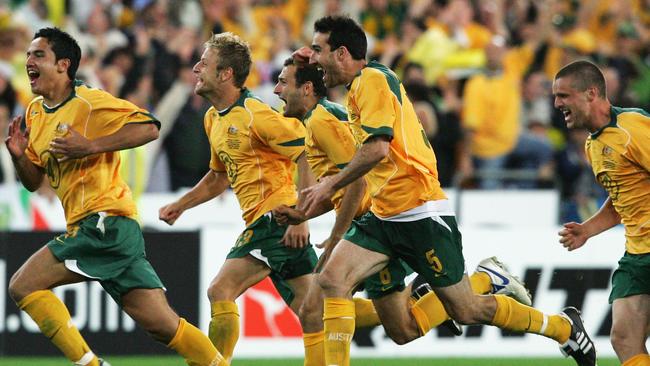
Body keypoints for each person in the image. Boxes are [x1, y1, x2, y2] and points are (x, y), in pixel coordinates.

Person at [296, 15, 596, 366]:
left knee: (467, 310)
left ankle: (561, 326)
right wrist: (311, 60)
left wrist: (329, 184)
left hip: (419, 210)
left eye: (319, 50)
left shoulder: (371, 81)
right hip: (382, 214)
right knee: (357, 298)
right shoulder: (360, 84)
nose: (314, 57)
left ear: (343, 53)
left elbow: (377, 148)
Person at [272, 56, 533, 365]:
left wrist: (336, 237)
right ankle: (468, 286)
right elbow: (342, 186)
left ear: (305, 89)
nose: (275, 90)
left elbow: (356, 184)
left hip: (377, 223)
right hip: (377, 219)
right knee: (402, 329)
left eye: (282, 82)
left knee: (319, 301)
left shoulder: (322, 122)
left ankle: (478, 285)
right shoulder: (323, 117)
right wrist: (303, 214)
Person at [5, 28, 225, 366]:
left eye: (38, 55)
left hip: (102, 222)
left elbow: (150, 127)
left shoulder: (89, 102)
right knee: (163, 326)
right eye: (29, 55)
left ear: (63, 65)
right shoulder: (35, 113)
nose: (29, 61)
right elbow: (34, 183)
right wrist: (19, 156)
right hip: (112, 228)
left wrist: (91, 145)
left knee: (23, 285)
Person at [158, 32, 316, 364]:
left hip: (274, 218)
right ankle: (417, 307)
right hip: (274, 223)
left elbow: (307, 151)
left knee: (220, 290)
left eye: (205, 62)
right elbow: (218, 177)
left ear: (226, 73)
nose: (197, 68)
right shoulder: (213, 118)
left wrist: (301, 214)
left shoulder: (256, 114)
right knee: (315, 309)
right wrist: (180, 205)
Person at [556, 60, 650, 366]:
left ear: (591, 93)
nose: (557, 104)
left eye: (564, 96)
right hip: (637, 253)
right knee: (624, 337)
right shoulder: (592, 146)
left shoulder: (632, 128)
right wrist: (587, 230)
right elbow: (620, 197)